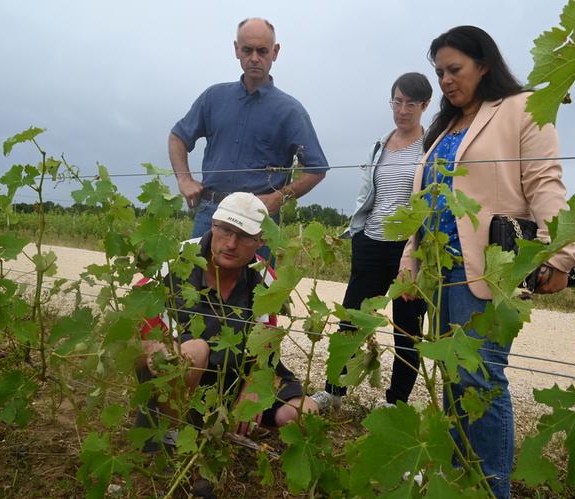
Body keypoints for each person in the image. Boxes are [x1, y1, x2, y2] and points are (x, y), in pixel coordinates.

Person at [398, 26, 575, 499]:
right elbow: (425, 204)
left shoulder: (521, 108)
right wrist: (409, 263)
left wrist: (560, 253)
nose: (445, 81)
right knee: (454, 380)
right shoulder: (444, 127)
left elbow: (544, 181)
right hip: (438, 272)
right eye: (439, 72)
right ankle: (461, 482)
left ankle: (491, 488)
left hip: (488, 270)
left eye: (454, 70)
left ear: (484, 64)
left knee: (482, 379)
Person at [135, 192, 318, 447]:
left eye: (244, 236)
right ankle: (168, 437)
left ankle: (222, 427)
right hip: (181, 378)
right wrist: (155, 350)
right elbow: (129, 341)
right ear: (213, 224)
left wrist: (254, 386)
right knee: (195, 350)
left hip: (232, 378)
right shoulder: (172, 262)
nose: (231, 243)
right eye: (225, 230)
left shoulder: (264, 276)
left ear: (260, 241)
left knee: (303, 413)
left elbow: (265, 345)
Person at [311, 73, 431, 411]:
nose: (403, 110)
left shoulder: (430, 146)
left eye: (411, 103)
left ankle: (395, 403)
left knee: (406, 329)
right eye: (397, 101)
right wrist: (358, 233)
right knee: (351, 320)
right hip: (371, 241)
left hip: (409, 249)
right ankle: (334, 392)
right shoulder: (381, 143)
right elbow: (369, 194)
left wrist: (417, 252)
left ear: (425, 106)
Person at [169, 18, 329, 245]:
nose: (254, 58)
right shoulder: (213, 98)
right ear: (236, 50)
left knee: (254, 281)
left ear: (275, 52)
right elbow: (178, 137)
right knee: (196, 278)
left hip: (258, 217)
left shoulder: (290, 111)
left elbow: (317, 168)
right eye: (247, 50)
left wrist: (277, 198)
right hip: (211, 213)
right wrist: (184, 179)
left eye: (262, 51)